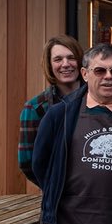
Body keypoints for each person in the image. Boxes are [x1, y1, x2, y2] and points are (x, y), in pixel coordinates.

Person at [33, 44, 112, 224]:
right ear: (85, 74)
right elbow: (39, 164)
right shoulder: (59, 115)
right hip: (67, 223)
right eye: (100, 70)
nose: (108, 77)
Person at [22, 35, 85, 186]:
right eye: (58, 59)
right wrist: (53, 188)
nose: (66, 64)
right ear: (49, 65)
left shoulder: (98, 100)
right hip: (59, 196)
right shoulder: (36, 108)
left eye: (71, 58)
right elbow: (27, 162)